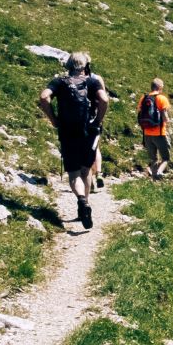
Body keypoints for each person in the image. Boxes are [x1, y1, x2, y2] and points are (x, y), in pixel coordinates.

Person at [37, 51, 108, 231]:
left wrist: (53, 120)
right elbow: (104, 99)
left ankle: (81, 201)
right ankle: (84, 207)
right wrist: (98, 120)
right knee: (86, 171)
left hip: (68, 132)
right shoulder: (92, 81)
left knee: (74, 173)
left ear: (68, 66)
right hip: (89, 131)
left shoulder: (59, 82)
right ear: (85, 66)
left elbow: (44, 97)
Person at [137, 79, 172, 179]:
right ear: (160, 87)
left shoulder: (144, 98)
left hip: (147, 133)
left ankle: (154, 178)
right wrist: (168, 121)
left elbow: (140, 113)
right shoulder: (161, 98)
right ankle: (159, 172)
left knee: (153, 158)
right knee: (165, 158)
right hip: (159, 133)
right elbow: (164, 116)